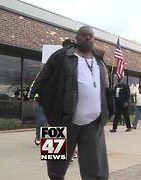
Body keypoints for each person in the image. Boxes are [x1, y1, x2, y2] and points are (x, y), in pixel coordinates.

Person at [35, 26, 112, 180]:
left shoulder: (99, 61)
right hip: (61, 119)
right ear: (77, 37)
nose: (89, 38)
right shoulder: (60, 56)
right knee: (54, 166)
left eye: (91, 35)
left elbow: (106, 89)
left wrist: (107, 112)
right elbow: (41, 82)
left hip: (94, 122)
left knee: (96, 169)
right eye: (85, 35)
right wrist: (51, 112)